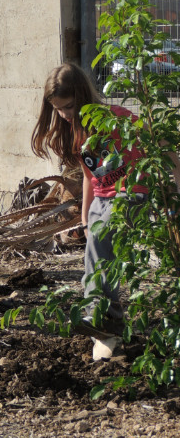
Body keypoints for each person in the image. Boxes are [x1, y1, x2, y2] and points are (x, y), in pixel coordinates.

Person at [31, 62, 148, 360]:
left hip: (130, 193)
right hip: (102, 199)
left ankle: (101, 311)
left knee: (102, 239)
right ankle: (106, 324)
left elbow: (155, 138)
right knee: (94, 250)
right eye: (58, 110)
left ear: (82, 96)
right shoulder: (77, 132)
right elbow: (89, 177)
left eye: (68, 106)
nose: (64, 115)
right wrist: (84, 217)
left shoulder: (116, 118)